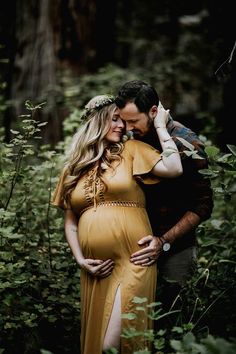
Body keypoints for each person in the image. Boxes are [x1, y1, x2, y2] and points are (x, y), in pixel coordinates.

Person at [51, 94, 183, 354]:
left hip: (134, 260)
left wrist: (159, 126)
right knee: (98, 344)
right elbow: (71, 223)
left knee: (111, 345)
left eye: (123, 121)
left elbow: (174, 167)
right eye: (114, 120)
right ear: (97, 122)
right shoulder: (73, 168)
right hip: (96, 270)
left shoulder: (132, 150)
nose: (121, 126)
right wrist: (80, 259)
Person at [115, 80, 213, 312]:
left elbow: (203, 205)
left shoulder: (187, 143)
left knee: (173, 314)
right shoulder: (132, 139)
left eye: (133, 121)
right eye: (124, 121)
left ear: (154, 111)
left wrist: (164, 241)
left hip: (175, 248)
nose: (127, 129)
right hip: (135, 247)